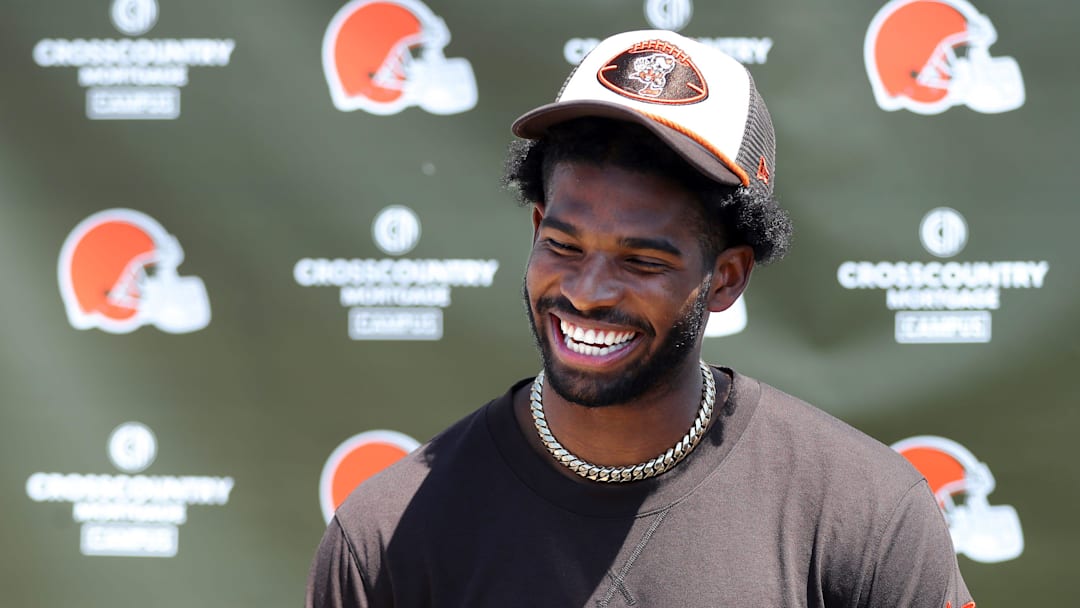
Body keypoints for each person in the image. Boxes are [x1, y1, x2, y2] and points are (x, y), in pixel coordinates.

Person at [305, 29, 975, 607]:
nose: (590, 292)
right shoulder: (387, 535)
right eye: (564, 246)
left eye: (642, 260)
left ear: (727, 278)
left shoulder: (864, 514)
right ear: (537, 227)